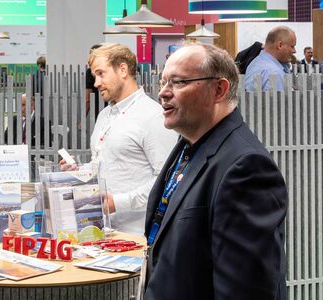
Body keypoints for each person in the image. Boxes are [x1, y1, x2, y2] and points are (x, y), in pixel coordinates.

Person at [142, 43, 287, 300]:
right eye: (163, 81)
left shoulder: (246, 168)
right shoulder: (189, 144)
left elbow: (245, 290)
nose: (163, 93)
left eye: (178, 82)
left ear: (219, 89)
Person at [60, 43, 177, 235]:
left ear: (123, 70)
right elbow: (105, 165)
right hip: (103, 231)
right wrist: (78, 171)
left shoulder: (153, 116)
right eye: (94, 76)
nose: (96, 83)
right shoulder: (104, 115)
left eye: (101, 74)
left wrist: (118, 203)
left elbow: (166, 180)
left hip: (139, 234)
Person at [245, 26, 296, 91]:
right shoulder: (274, 73)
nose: (294, 51)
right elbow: (280, 100)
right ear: (280, 45)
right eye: (292, 46)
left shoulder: (254, 63)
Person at [85, 44, 102, 117]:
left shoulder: (90, 71)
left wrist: (83, 118)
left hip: (98, 109)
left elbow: (88, 99)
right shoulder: (111, 70)